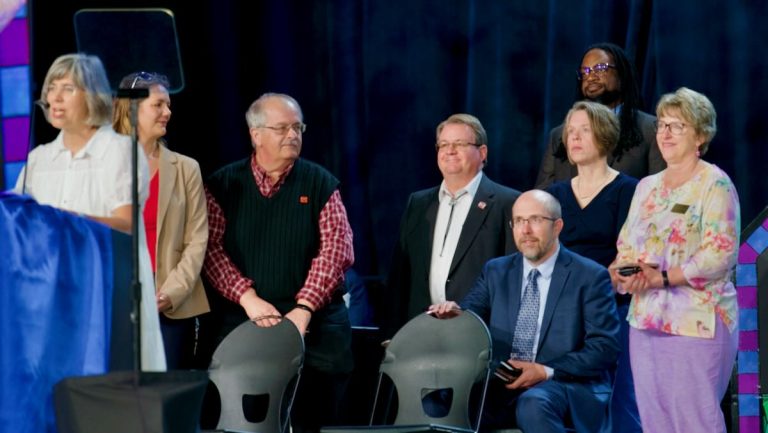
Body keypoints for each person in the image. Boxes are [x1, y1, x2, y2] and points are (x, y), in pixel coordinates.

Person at [203, 93, 354, 433]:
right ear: (256, 135)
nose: (293, 135)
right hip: (245, 323)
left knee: (319, 418)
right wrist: (249, 299)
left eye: (298, 127)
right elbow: (211, 251)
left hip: (315, 329)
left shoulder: (320, 183)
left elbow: (337, 250)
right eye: (282, 128)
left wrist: (304, 308)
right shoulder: (223, 184)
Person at [14, 53, 165, 371]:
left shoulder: (120, 151)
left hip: (106, 294)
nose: (55, 97)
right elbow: (18, 226)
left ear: (93, 95)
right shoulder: (39, 159)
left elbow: (125, 224)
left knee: (104, 386)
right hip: (51, 297)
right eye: (51, 87)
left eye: (67, 88)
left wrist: (65, 222)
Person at [430, 190, 620, 433]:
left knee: (533, 404)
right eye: (519, 221)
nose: (526, 230)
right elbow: (471, 317)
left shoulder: (590, 276)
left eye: (535, 220)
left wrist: (543, 371)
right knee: (440, 402)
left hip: (563, 382)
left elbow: (604, 347)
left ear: (557, 226)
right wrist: (454, 314)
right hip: (504, 380)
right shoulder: (496, 271)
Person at [611, 87, 739, 433]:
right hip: (646, 319)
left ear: (700, 135)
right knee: (654, 421)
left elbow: (720, 253)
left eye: (677, 126)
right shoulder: (646, 187)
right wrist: (623, 272)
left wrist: (664, 277)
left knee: (695, 421)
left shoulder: (714, 183)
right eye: (662, 124)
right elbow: (626, 244)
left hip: (696, 320)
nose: (665, 133)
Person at [546, 100, 640, 432]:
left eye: (584, 130)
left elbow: (630, 254)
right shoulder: (554, 195)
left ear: (604, 135)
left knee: (620, 406)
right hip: (561, 310)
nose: (574, 137)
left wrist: (595, 286)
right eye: (571, 131)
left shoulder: (630, 190)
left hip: (611, 307)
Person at [383, 113, 520, 339]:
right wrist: (392, 336)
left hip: (477, 334)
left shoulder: (508, 203)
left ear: (482, 153)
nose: (450, 151)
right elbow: (400, 277)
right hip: (420, 332)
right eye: (444, 144)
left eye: (459, 144)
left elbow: (512, 279)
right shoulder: (418, 203)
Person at [113, 71, 210, 370]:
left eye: (168, 105)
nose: (168, 112)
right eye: (158, 105)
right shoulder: (101, 166)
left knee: (165, 394)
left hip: (170, 306)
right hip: (116, 302)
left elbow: (197, 240)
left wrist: (171, 293)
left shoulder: (186, 169)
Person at [536, 42, 664, 189]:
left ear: (622, 75)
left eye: (600, 68)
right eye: (585, 71)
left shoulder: (651, 130)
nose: (590, 77)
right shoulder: (559, 135)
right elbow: (542, 195)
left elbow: (660, 192)